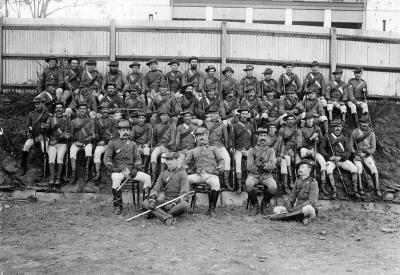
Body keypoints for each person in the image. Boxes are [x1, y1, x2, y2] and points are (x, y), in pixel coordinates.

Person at [104, 119, 152, 215]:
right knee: (116, 178)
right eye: (122, 130)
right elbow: (107, 159)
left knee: (147, 177)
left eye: (127, 130)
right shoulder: (112, 143)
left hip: (131, 171)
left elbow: (138, 158)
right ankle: (118, 205)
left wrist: (135, 168)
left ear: (130, 131)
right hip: (118, 171)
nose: (125, 132)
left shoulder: (133, 144)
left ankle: (146, 205)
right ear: (119, 131)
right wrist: (114, 169)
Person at [185, 127, 225, 217]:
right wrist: (190, 170)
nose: (201, 137)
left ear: (207, 136)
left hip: (211, 174)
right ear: (196, 138)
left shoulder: (213, 148)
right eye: (198, 136)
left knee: (216, 182)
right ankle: (186, 205)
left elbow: (222, 160)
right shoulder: (193, 150)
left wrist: (220, 168)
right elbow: (185, 163)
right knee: (185, 179)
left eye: (203, 135)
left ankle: (211, 209)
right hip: (198, 175)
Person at [143, 152, 190, 225]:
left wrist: (173, 204)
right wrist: (152, 200)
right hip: (165, 201)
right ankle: (167, 217)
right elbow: (156, 189)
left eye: (171, 159)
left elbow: (184, 193)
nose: (169, 162)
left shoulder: (183, 174)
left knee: (185, 205)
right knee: (146, 202)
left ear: (177, 161)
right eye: (167, 160)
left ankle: (155, 213)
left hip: (177, 203)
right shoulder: (163, 173)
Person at [320, 118, 358, 198]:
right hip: (332, 159)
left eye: (339, 126)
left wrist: (341, 157)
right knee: (329, 169)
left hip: (342, 159)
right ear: (333, 128)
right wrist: (328, 157)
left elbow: (348, 150)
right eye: (336, 127)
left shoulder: (344, 138)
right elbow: (322, 148)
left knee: (354, 168)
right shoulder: (327, 136)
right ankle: (334, 190)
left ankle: (355, 190)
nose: (338, 128)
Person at [273, 159, 319, 225]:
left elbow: (311, 201)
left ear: (309, 169)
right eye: (299, 167)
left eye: (302, 167)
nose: (299, 169)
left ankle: (296, 217)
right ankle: (300, 217)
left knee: (308, 209)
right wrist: (289, 205)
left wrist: (295, 208)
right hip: (296, 209)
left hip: (306, 208)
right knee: (276, 209)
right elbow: (292, 197)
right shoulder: (297, 181)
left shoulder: (313, 183)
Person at [246, 128, 277, 215]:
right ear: (258, 137)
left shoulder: (271, 151)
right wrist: (264, 166)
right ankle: (255, 205)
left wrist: (262, 166)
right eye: (261, 136)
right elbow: (249, 166)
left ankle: (264, 203)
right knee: (248, 184)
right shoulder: (252, 150)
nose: (262, 138)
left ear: (267, 137)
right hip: (254, 175)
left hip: (267, 175)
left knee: (273, 187)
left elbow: (272, 165)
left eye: (264, 136)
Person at [350, 115, 381, 197]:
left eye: (366, 123)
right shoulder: (355, 132)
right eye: (362, 122)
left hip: (367, 155)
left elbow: (373, 147)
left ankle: (377, 189)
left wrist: (365, 153)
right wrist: (355, 154)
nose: (364, 124)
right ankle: (360, 188)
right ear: (360, 123)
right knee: (359, 168)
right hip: (357, 154)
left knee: (373, 168)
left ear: (368, 123)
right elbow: (351, 146)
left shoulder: (371, 133)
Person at [20, 97, 50, 176]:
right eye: (36, 104)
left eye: (39, 104)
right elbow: (27, 126)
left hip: (43, 136)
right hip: (33, 136)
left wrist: (44, 131)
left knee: (45, 149)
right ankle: (23, 167)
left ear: (42, 104)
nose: (38, 106)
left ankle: (46, 169)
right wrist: (28, 132)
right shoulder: (31, 114)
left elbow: (49, 128)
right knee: (26, 146)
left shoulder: (47, 115)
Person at [204, 106, 231, 190]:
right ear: (210, 115)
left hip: (220, 146)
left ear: (218, 114)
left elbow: (226, 138)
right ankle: (212, 182)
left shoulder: (222, 125)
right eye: (213, 113)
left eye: (216, 113)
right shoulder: (206, 124)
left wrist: (226, 147)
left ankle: (225, 182)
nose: (215, 115)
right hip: (210, 146)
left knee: (227, 159)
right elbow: (204, 137)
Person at [300, 112, 328, 194]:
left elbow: (322, 141)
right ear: (305, 120)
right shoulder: (302, 130)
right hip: (306, 150)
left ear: (313, 119)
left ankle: (323, 185)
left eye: (311, 119)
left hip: (315, 150)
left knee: (323, 163)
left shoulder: (317, 129)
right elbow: (301, 144)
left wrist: (318, 140)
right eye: (307, 119)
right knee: (302, 152)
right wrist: (312, 138)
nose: (309, 121)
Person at [231, 106, 256, 193]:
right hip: (238, 149)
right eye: (243, 114)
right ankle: (239, 185)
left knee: (250, 164)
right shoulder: (234, 125)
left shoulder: (251, 126)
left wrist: (252, 148)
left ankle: (249, 183)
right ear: (240, 115)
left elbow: (253, 138)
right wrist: (232, 148)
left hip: (248, 149)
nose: (244, 116)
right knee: (238, 163)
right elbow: (232, 139)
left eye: (246, 114)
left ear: (248, 115)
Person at [68, 103, 95, 184]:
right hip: (77, 142)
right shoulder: (73, 121)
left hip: (87, 143)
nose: (82, 110)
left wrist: (85, 142)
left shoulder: (91, 121)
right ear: (78, 110)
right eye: (80, 108)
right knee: (72, 151)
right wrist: (75, 142)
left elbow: (92, 135)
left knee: (89, 150)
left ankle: (87, 172)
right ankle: (73, 174)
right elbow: (71, 134)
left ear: (86, 110)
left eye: (84, 108)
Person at [44, 101, 68, 189]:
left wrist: (57, 140)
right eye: (57, 108)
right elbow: (47, 129)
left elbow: (66, 131)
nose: (58, 109)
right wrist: (45, 127)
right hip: (52, 143)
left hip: (62, 143)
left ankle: (58, 178)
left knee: (60, 158)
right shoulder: (50, 119)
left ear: (63, 109)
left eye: (60, 108)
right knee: (51, 159)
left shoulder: (66, 119)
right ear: (54, 109)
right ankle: (52, 178)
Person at [93, 102, 118, 181]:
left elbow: (115, 134)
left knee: (106, 155)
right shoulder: (97, 121)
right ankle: (97, 173)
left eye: (106, 109)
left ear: (108, 110)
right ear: (100, 111)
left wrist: (105, 141)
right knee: (97, 152)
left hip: (110, 143)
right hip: (101, 143)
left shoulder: (113, 121)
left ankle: (109, 170)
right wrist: (96, 136)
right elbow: (97, 133)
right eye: (102, 109)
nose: (104, 111)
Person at [150, 111, 176, 184]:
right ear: (160, 117)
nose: (164, 117)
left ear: (168, 117)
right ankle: (153, 178)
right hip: (159, 145)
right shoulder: (156, 126)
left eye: (166, 115)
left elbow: (173, 140)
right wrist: (153, 146)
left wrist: (166, 147)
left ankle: (161, 178)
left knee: (163, 157)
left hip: (167, 146)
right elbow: (154, 138)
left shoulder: (171, 126)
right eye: (163, 115)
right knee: (153, 155)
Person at [278, 114, 302, 193]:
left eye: (292, 119)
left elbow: (300, 143)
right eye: (289, 119)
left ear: (294, 120)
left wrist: (296, 145)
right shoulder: (282, 129)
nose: (290, 121)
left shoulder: (297, 130)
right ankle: (290, 181)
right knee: (287, 161)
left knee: (298, 163)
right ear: (286, 120)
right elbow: (280, 142)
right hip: (285, 150)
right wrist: (284, 151)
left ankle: (299, 183)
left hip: (294, 150)